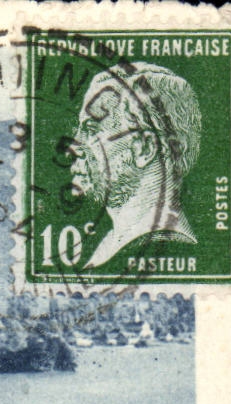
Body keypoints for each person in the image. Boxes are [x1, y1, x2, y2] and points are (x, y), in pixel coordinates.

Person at [68, 62, 202, 270]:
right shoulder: (112, 244)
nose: (74, 146)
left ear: (144, 148)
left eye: (92, 130)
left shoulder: (163, 243)